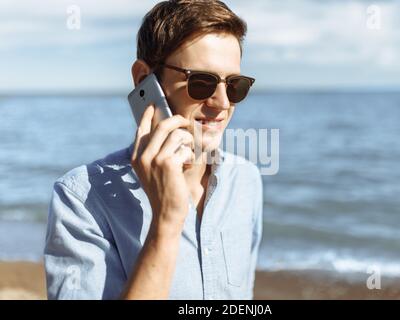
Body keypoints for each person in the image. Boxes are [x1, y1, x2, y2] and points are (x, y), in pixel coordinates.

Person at [44, 0, 263, 300]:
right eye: (202, 82)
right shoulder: (81, 199)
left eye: (235, 85)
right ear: (143, 79)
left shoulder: (246, 180)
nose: (223, 103)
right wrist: (167, 223)